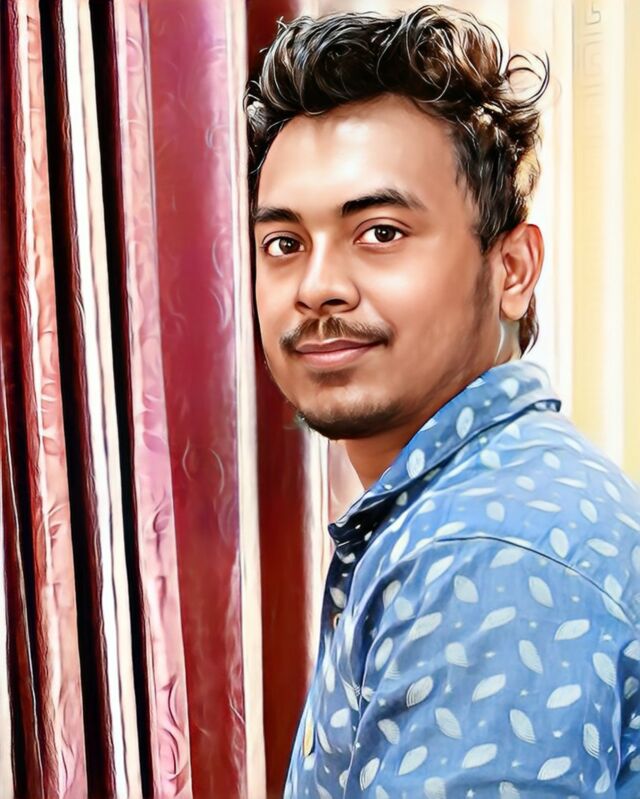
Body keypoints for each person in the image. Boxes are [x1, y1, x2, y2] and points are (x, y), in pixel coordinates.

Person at [245, 5, 640, 797]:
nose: (317, 286)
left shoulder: (486, 550)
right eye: (284, 243)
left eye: (380, 232)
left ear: (513, 269)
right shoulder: (472, 502)